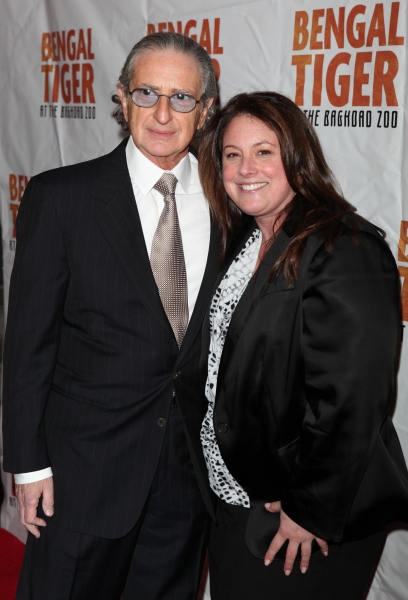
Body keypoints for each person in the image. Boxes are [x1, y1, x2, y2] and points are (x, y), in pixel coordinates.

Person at [2, 32, 220, 600]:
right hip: (79, 476)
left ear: (206, 109)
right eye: (147, 93)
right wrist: (27, 466)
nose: (163, 114)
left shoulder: (232, 205)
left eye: (182, 98)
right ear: (121, 98)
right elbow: (28, 344)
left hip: (186, 477)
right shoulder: (61, 197)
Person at [197, 91, 408, 600]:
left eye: (264, 151)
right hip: (238, 500)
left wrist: (308, 509)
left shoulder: (345, 246)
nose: (246, 168)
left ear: (297, 157)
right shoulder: (243, 240)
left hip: (304, 517)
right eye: (232, 154)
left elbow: (355, 401)